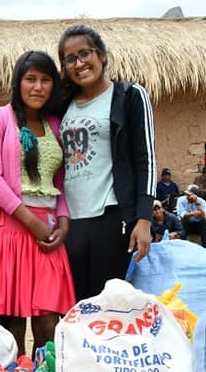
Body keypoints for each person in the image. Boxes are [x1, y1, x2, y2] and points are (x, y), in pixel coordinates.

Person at [0, 50, 76, 357]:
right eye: (30, 79)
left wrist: (62, 223)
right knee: (13, 326)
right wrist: (31, 223)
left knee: (49, 323)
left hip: (48, 233)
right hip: (10, 230)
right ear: (18, 82)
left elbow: (59, 182)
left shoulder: (56, 125)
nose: (38, 87)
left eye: (46, 80)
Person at [58, 24, 155, 301]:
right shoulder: (63, 105)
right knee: (74, 307)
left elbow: (145, 158)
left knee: (106, 304)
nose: (79, 63)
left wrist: (144, 219)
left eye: (85, 53)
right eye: (70, 59)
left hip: (111, 218)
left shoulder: (129, 96)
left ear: (101, 55)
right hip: (70, 222)